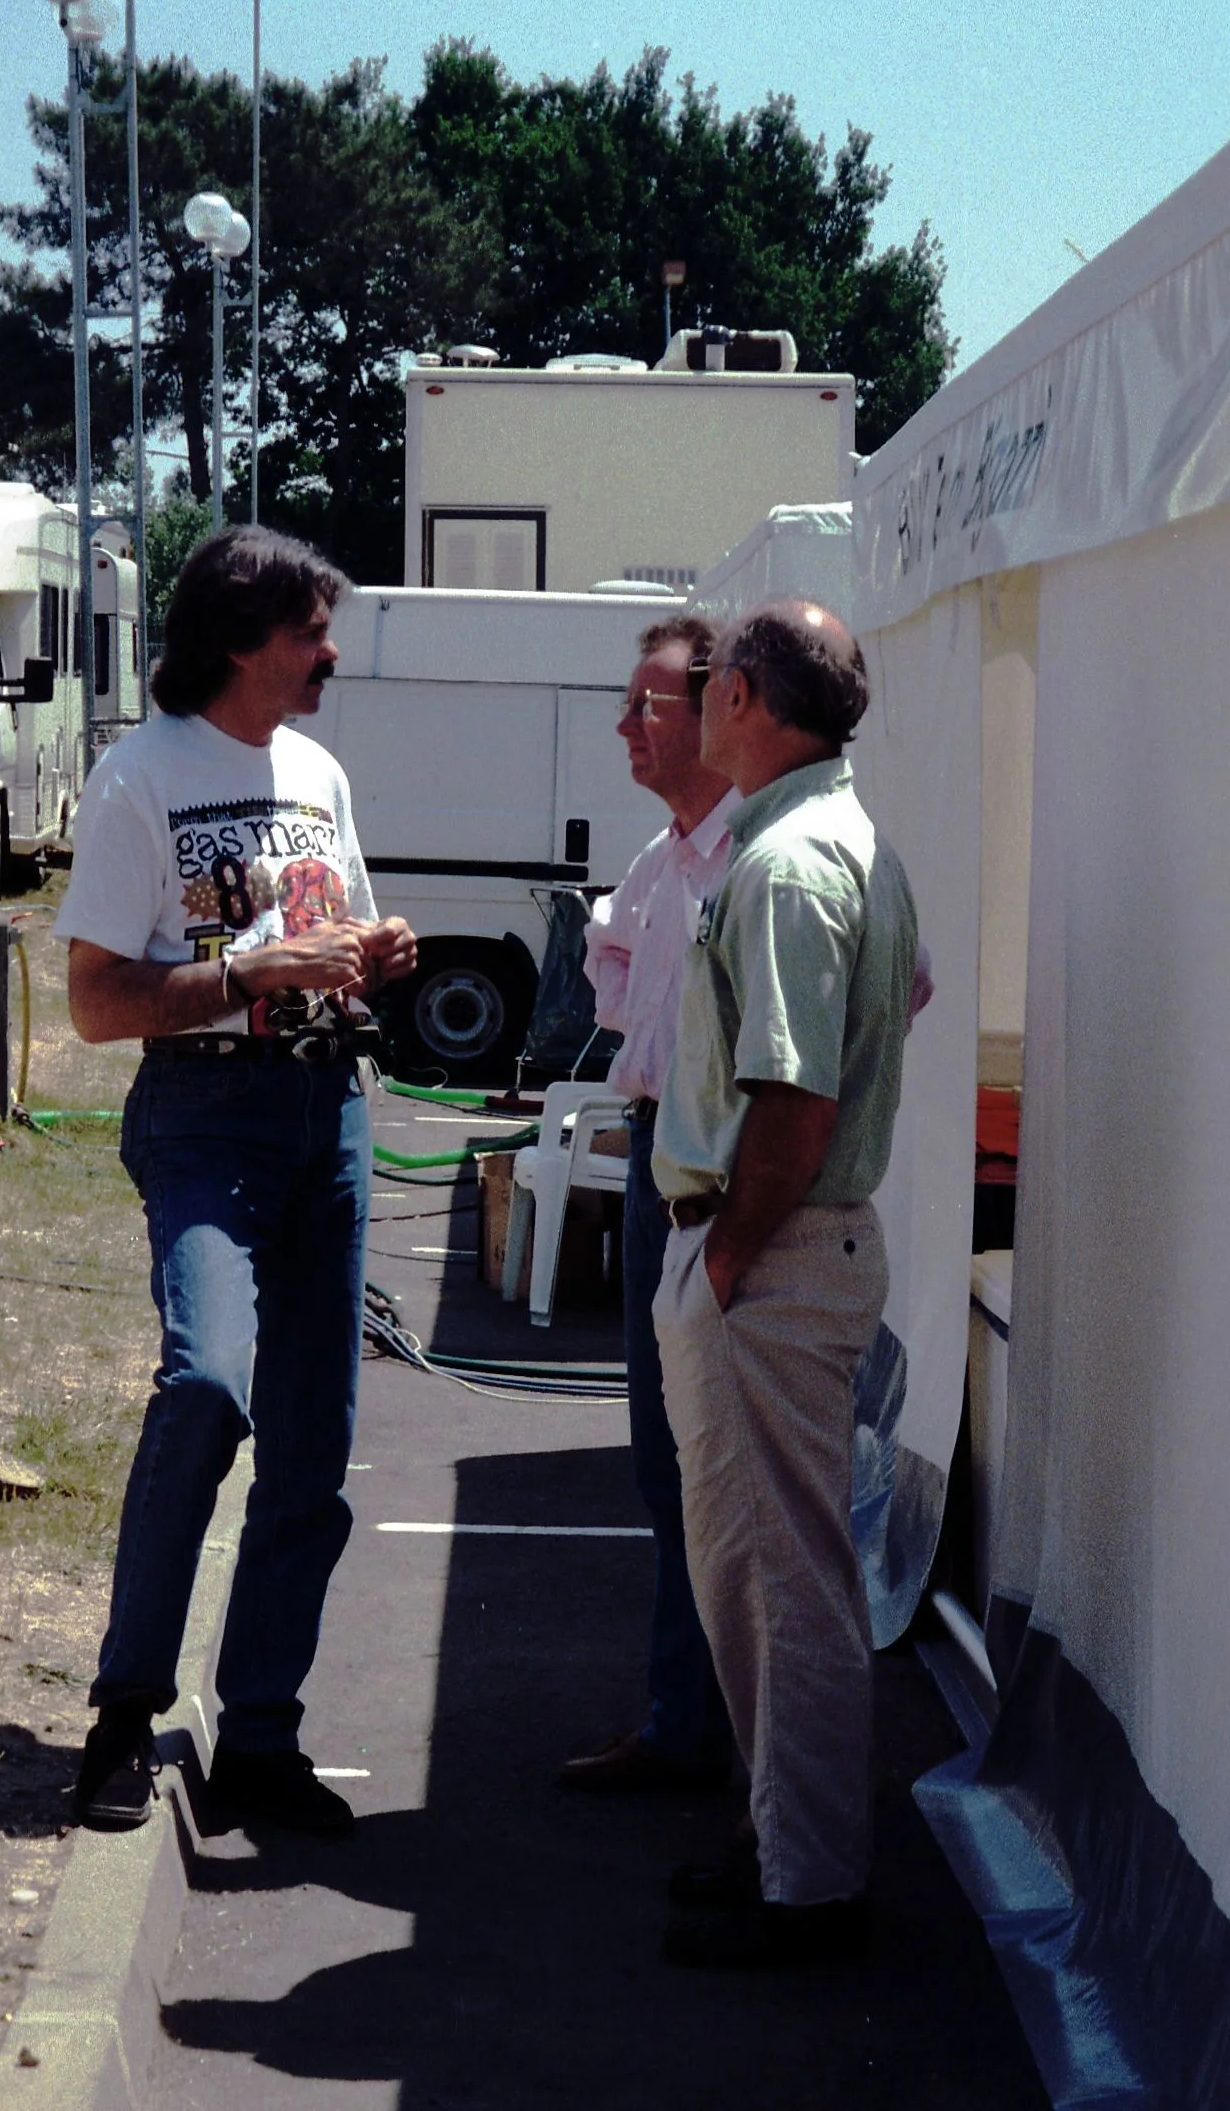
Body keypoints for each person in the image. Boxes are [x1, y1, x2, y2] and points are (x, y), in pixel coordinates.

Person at [54, 527, 416, 1836]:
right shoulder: (138, 777)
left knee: (311, 1445)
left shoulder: (315, 769)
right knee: (208, 1386)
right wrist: (239, 980)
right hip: (203, 1119)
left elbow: (334, 941)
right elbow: (96, 1006)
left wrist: (372, 952)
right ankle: (122, 1711)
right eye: (308, 630)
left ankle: (260, 1736)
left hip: (325, 1121)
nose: (328, 653)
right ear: (234, 642)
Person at [649, 599, 917, 1968]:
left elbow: (794, 1096)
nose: (691, 707)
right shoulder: (830, 840)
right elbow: (905, 992)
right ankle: (783, 1847)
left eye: (705, 687)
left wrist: (731, 1253)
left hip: (772, 1247)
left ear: (745, 694)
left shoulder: (787, 862)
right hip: (784, 1242)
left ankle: (805, 1886)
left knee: (784, 1580)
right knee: (759, 1569)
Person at [560, 616, 737, 1793]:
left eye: (647, 705)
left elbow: (899, 992)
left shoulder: (755, 858)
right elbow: (609, 972)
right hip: (657, 1170)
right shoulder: (663, 857)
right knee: (661, 1466)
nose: (627, 724)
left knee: (719, 1475)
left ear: (719, 715)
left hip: (722, 1186)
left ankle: (731, 1738)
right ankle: (687, 1719)